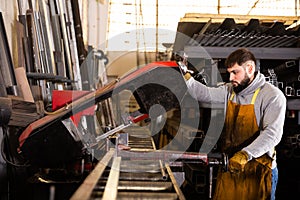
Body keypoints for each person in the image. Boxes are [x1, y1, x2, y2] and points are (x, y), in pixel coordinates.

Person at [181, 48, 286, 200]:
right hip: (231, 166)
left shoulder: (272, 96)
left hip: (257, 172)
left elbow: (272, 134)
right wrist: (185, 75)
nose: (230, 77)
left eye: (235, 72)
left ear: (250, 68)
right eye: (229, 72)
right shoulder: (230, 91)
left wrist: (245, 154)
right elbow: (203, 94)